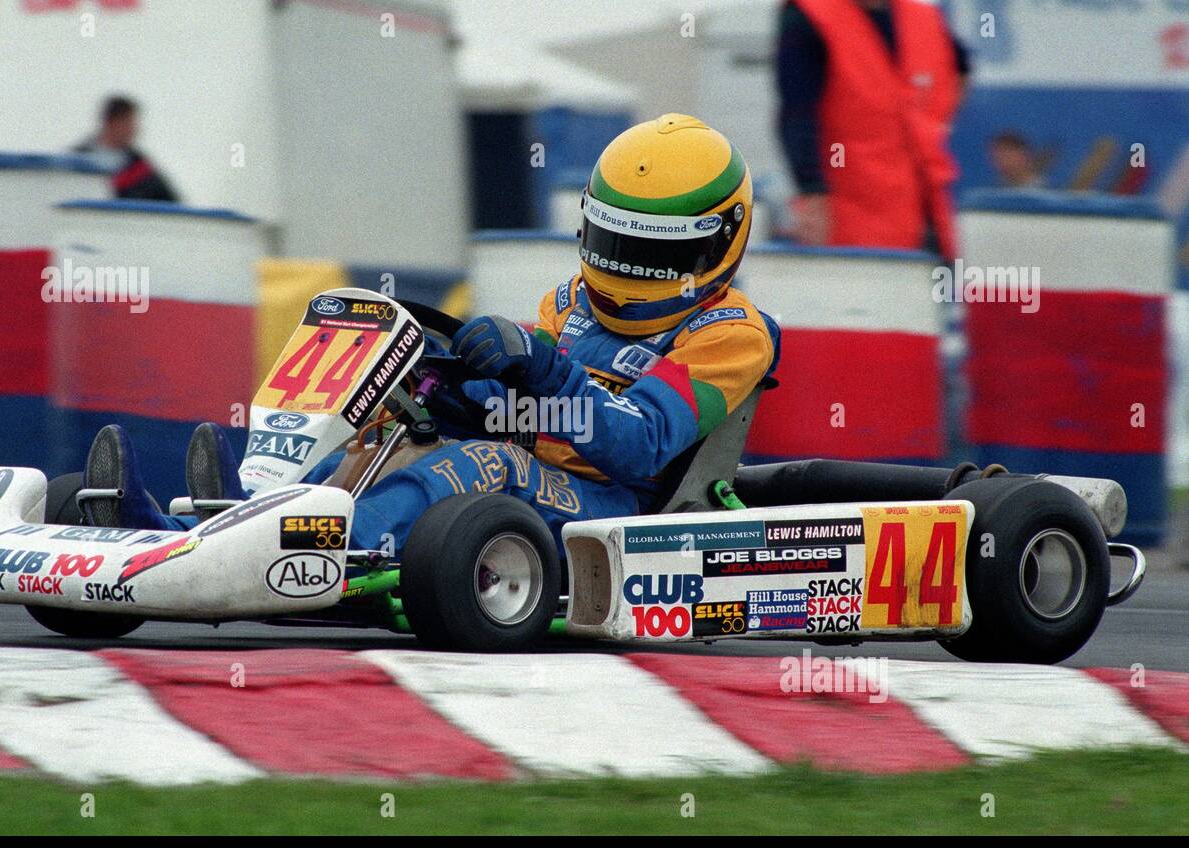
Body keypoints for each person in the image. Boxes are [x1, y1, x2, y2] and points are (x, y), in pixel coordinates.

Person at [79, 114, 781, 554]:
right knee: (395, 429)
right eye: (614, 241)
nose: (624, 266)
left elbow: (640, 444)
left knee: (480, 467)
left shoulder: (729, 333)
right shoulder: (570, 303)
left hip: (620, 512)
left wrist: (541, 369)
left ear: (717, 240)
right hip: (534, 477)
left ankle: (291, 547)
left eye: (649, 249)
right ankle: (210, 529)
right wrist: (446, 383)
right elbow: (515, 410)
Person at [776, 0, 969, 259]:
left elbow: (960, 68)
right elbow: (797, 113)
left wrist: (933, 125)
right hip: (850, 221)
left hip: (928, 216)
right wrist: (812, 191)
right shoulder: (809, 15)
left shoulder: (922, 18)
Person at [74, 96, 179, 202]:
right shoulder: (75, 160)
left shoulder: (140, 167)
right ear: (112, 122)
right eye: (129, 123)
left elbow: (171, 203)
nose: (135, 129)